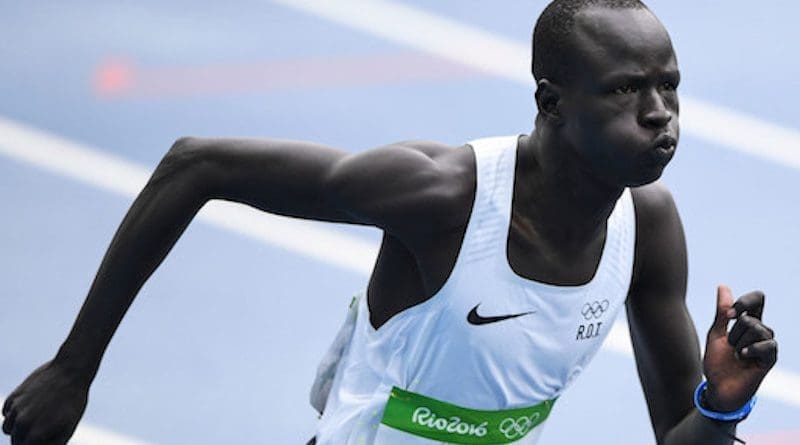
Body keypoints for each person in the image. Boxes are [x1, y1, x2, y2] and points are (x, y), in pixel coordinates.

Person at [1, 0, 779, 444]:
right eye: (625, 92)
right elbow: (195, 164)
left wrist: (721, 400)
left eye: (670, 88)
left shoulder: (649, 227)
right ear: (551, 104)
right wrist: (74, 368)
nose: (660, 116)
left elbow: (683, 437)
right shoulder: (442, 197)